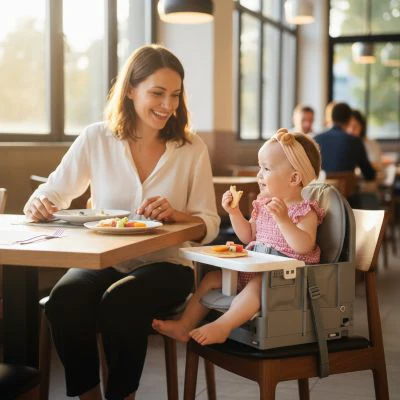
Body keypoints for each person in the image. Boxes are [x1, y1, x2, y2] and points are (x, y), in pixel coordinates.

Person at [23, 44, 220, 400]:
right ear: (130, 90)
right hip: (105, 261)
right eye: (157, 93)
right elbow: (53, 193)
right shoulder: (97, 137)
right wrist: (39, 204)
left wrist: (177, 214)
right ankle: (90, 396)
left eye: (175, 95)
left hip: (168, 266)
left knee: (121, 302)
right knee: (64, 299)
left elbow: (209, 223)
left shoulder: (191, 148)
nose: (168, 105)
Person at [153, 128, 324, 346]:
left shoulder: (305, 211)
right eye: (259, 167)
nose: (259, 175)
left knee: (258, 285)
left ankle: (222, 326)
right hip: (256, 271)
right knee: (210, 279)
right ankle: (184, 325)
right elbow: (248, 236)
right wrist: (234, 213)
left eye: (266, 168)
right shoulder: (263, 204)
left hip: (286, 281)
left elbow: (304, 246)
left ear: (294, 178)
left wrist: (284, 221)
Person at [314, 102, 376, 182]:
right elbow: (369, 175)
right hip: (346, 190)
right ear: (349, 119)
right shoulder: (355, 142)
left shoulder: (316, 139)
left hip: (320, 188)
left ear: (332, 118)